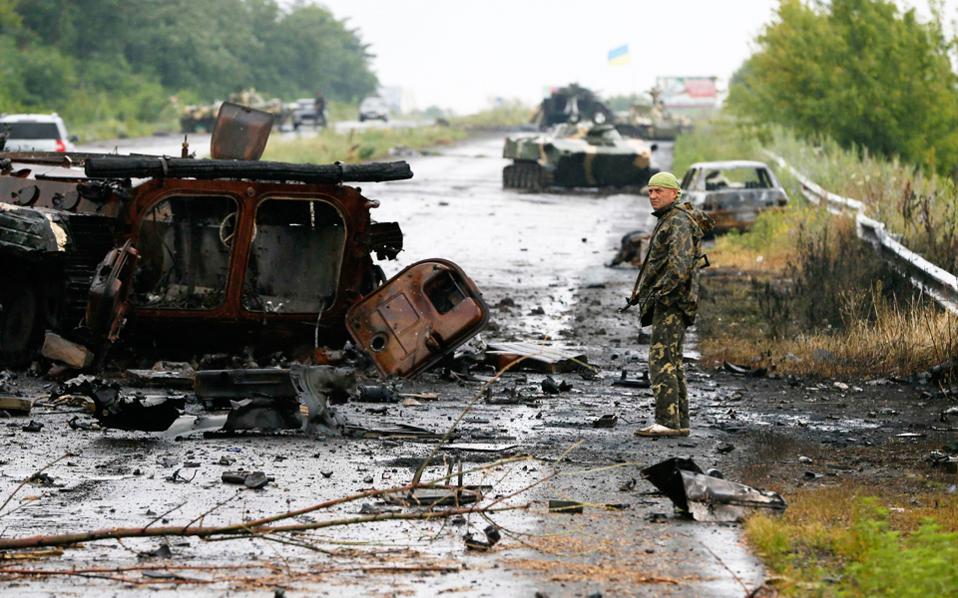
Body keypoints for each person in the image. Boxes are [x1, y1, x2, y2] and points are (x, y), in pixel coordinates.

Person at [626, 172, 713, 437]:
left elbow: (680, 266)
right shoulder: (670, 218)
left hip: (672, 302)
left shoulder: (677, 221)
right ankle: (679, 422)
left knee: (661, 359)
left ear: (674, 193)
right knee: (672, 360)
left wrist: (661, 293)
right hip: (673, 300)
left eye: (659, 191)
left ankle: (666, 421)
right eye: (650, 191)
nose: (653, 196)